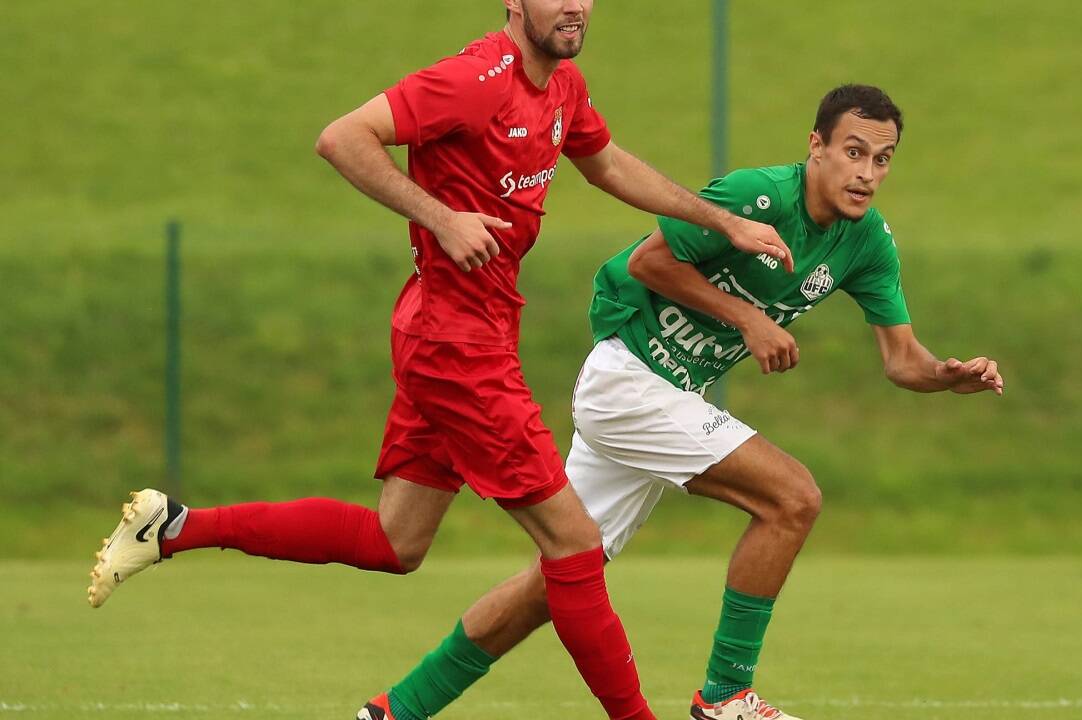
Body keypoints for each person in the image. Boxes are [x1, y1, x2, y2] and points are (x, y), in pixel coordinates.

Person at [87, 3, 791, 720]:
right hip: (457, 342)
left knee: (396, 540)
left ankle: (175, 527)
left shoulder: (562, 88)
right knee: (575, 547)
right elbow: (342, 138)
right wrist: (440, 216)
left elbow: (606, 163)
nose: (574, 4)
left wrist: (722, 219)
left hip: (457, 329)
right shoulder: (477, 77)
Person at [376, 83, 1005, 720]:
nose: (867, 173)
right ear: (816, 147)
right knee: (792, 498)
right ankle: (726, 695)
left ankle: (396, 708)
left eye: (882, 159)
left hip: (662, 396)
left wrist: (946, 375)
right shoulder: (756, 196)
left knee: (554, 582)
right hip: (628, 381)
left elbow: (903, 360)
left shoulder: (866, 241)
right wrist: (747, 320)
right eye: (853, 151)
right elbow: (649, 262)